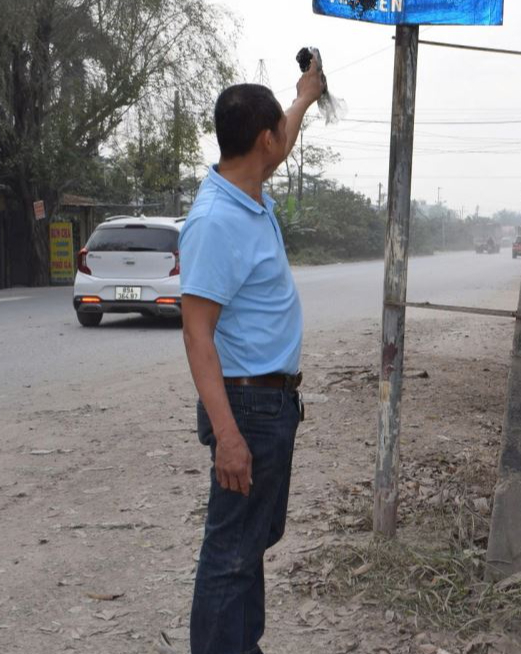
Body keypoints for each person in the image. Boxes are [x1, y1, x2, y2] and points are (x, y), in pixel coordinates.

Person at [179, 61, 324, 654]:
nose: (282, 142)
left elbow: (285, 136)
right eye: (278, 134)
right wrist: (227, 434)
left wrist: (304, 96)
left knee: (253, 540)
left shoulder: (247, 188)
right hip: (246, 405)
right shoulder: (216, 221)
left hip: (270, 400)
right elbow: (196, 335)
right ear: (261, 141)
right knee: (232, 552)